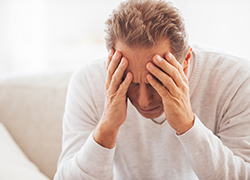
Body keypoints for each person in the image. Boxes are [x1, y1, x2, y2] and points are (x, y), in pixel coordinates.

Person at [54, 0, 250, 179]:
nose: (143, 101)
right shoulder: (88, 81)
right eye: (130, 82)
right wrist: (106, 128)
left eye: (156, 81)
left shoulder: (237, 79)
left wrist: (187, 125)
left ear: (186, 61)